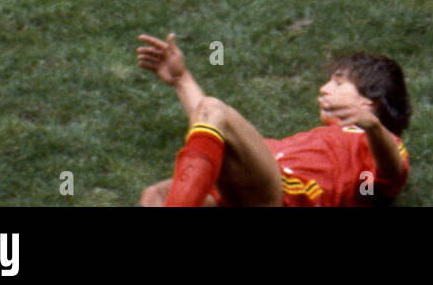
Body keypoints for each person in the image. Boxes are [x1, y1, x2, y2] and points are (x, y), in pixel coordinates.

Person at [136, 33, 410, 207]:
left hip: (283, 197)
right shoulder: (316, 138)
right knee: (157, 196)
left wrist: (371, 125)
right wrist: (181, 79)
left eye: (338, 83)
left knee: (213, 109)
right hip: (244, 196)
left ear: (367, 101)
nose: (324, 89)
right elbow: (209, 128)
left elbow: (391, 173)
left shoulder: (372, 143)